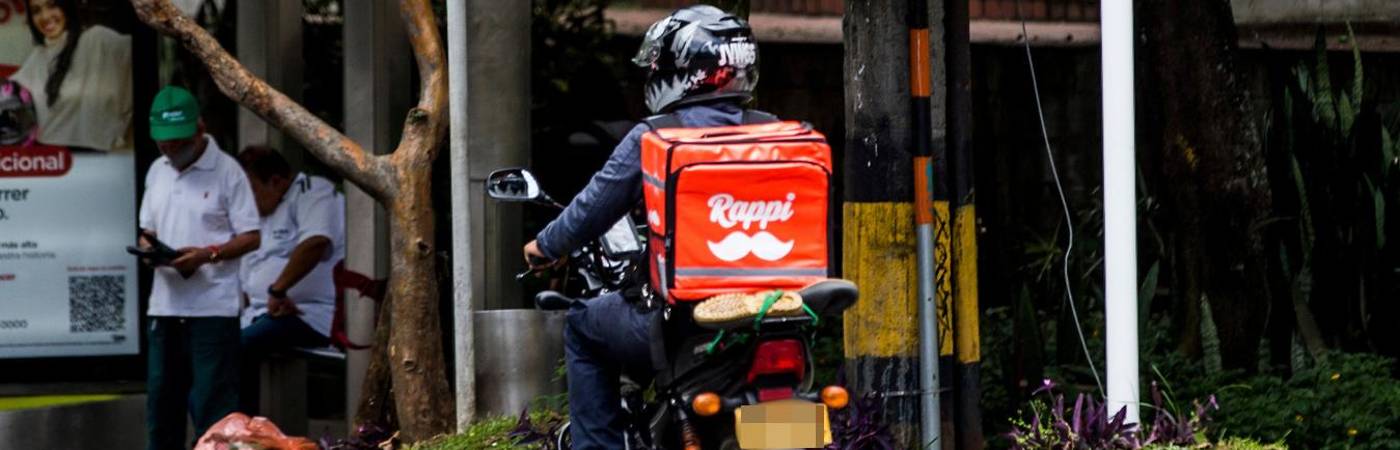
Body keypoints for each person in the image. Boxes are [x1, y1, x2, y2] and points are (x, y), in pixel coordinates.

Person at [522, 5, 761, 449]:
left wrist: (544, 245)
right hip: (773, 315)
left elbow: (591, 210)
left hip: (682, 319)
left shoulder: (656, 137)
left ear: (679, 72)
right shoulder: (773, 133)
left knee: (581, 327)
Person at [138, 85, 261, 450]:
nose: (170, 149)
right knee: (162, 405)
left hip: (212, 308)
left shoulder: (228, 171)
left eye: (178, 141)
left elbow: (251, 236)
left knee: (214, 406)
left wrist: (207, 255)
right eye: (163, 142)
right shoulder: (157, 170)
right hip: (165, 306)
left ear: (200, 128)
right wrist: (149, 249)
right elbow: (148, 229)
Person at [234, 145, 344, 415]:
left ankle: (241, 433)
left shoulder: (311, 190)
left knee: (237, 348)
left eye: (250, 191)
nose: (245, 201)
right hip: (260, 314)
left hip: (309, 314)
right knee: (207, 348)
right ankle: (213, 432)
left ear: (276, 181)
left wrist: (279, 289)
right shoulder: (258, 214)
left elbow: (315, 242)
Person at [11, 0, 133, 152]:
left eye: (52, 5)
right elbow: (9, 93)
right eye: (36, 11)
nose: (45, 16)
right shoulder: (38, 56)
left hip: (97, 160)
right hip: (49, 161)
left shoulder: (97, 40)